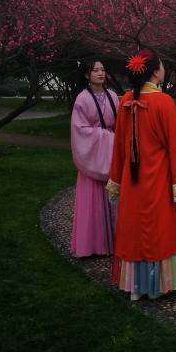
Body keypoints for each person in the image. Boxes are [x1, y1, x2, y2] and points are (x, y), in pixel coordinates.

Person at [106, 49, 176, 300]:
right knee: (159, 228)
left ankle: (136, 286)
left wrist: (116, 178)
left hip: (132, 179)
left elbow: (119, 147)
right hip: (158, 177)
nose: (164, 69)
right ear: (156, 72)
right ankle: (158, 286)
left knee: (134, 228)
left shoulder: (125, 101)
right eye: (162, 65)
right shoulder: (163, 102)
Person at [70, 59, 119, 257]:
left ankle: (116, 241)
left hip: (111, 152)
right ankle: (92, 246)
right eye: (95, 70)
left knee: (114, 197)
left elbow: (120, 123)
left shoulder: (113, 96)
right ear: (86, 75)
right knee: (92, 200)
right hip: (93, 156)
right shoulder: (82, 99)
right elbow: (80, 130)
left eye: (103, 69)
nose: (100, 73)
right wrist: (108, 137)